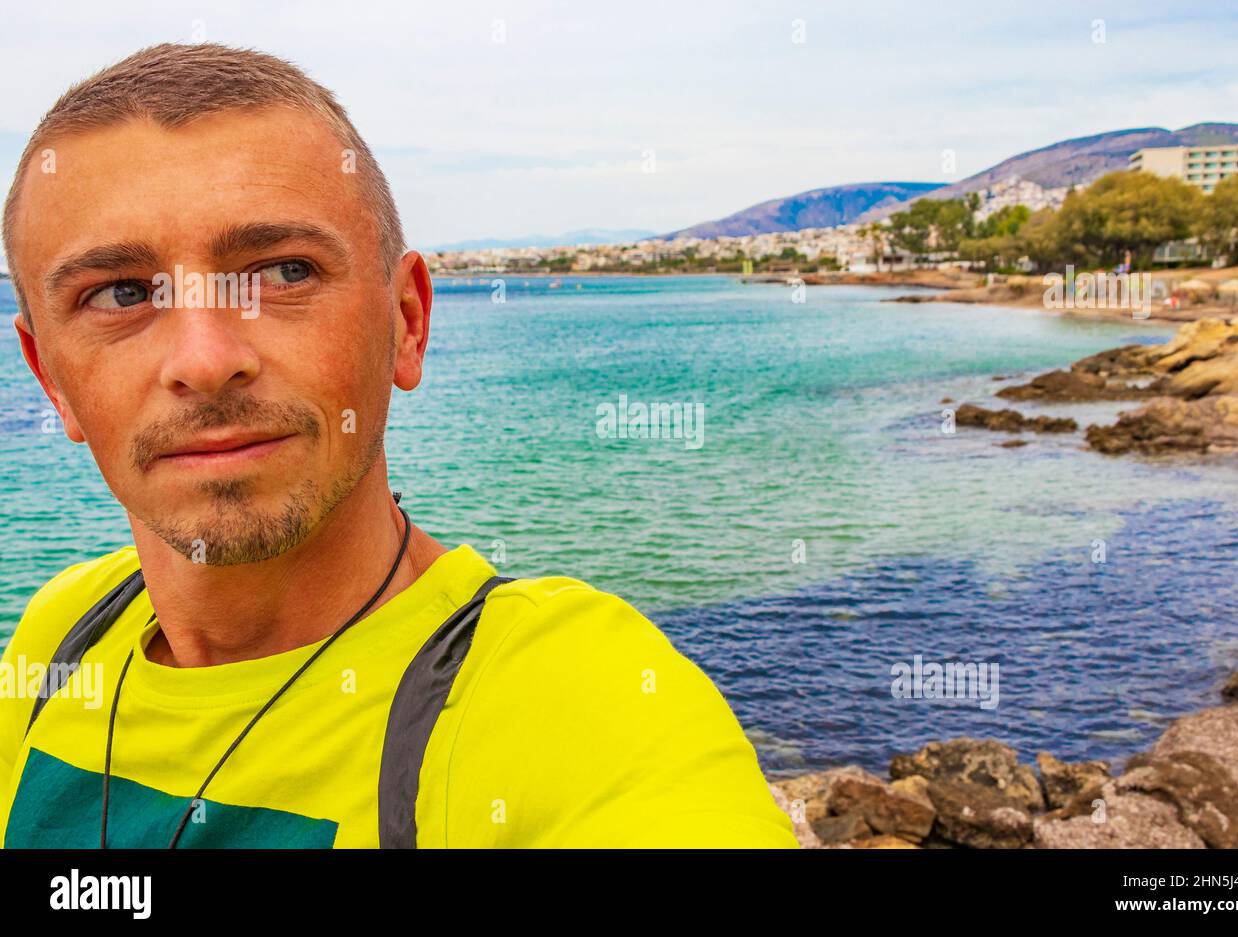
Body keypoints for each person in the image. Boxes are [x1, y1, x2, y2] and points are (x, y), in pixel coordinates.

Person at [0, 43, 797, 849]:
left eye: (281, 272)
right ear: (50, 378)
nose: (205, 361)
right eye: (122, 294)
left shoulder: (574, 698)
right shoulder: (66, 634)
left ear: (408, 322)